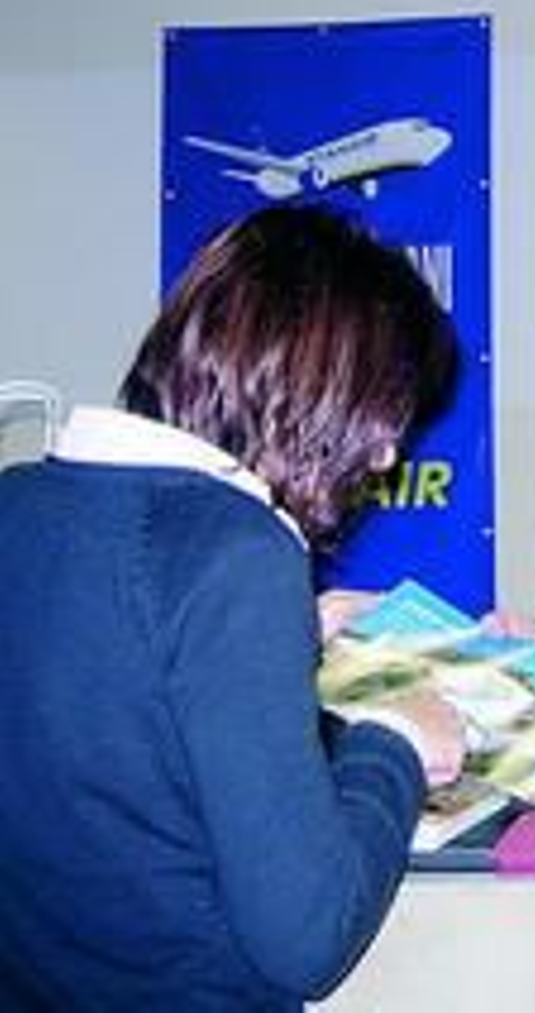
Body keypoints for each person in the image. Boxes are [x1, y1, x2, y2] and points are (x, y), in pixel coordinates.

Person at [0, 205, 466, 1009]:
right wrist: (396, 742)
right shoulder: (240, 551)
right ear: (314, 387)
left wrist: (294, 640)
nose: (388, 455)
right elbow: (307, 935)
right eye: (382, 413)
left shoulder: (20, 506)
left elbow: (111, 710)